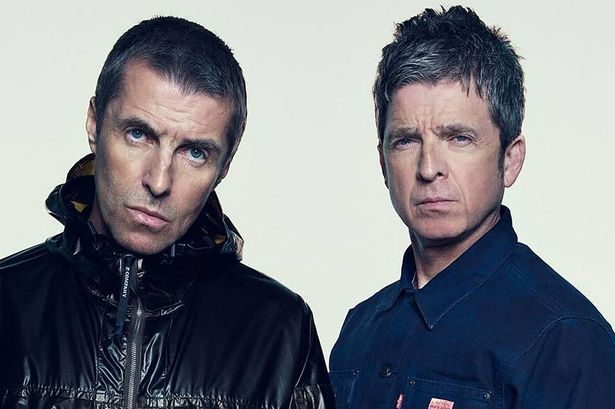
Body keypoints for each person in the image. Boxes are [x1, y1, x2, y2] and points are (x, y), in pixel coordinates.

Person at [0, 16, 333, 409]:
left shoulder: (279, 329)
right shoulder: (7, 302)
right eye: (138, 134)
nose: (159, 181)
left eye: (195, 153)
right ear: (94, 123)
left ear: (225, 166)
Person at [329, 6, 615, 409]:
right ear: (383, 164)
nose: (429, 168)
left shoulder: (565, 340)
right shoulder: (359, 330)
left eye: (459, 138)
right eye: (406, 141)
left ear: (510, 160)